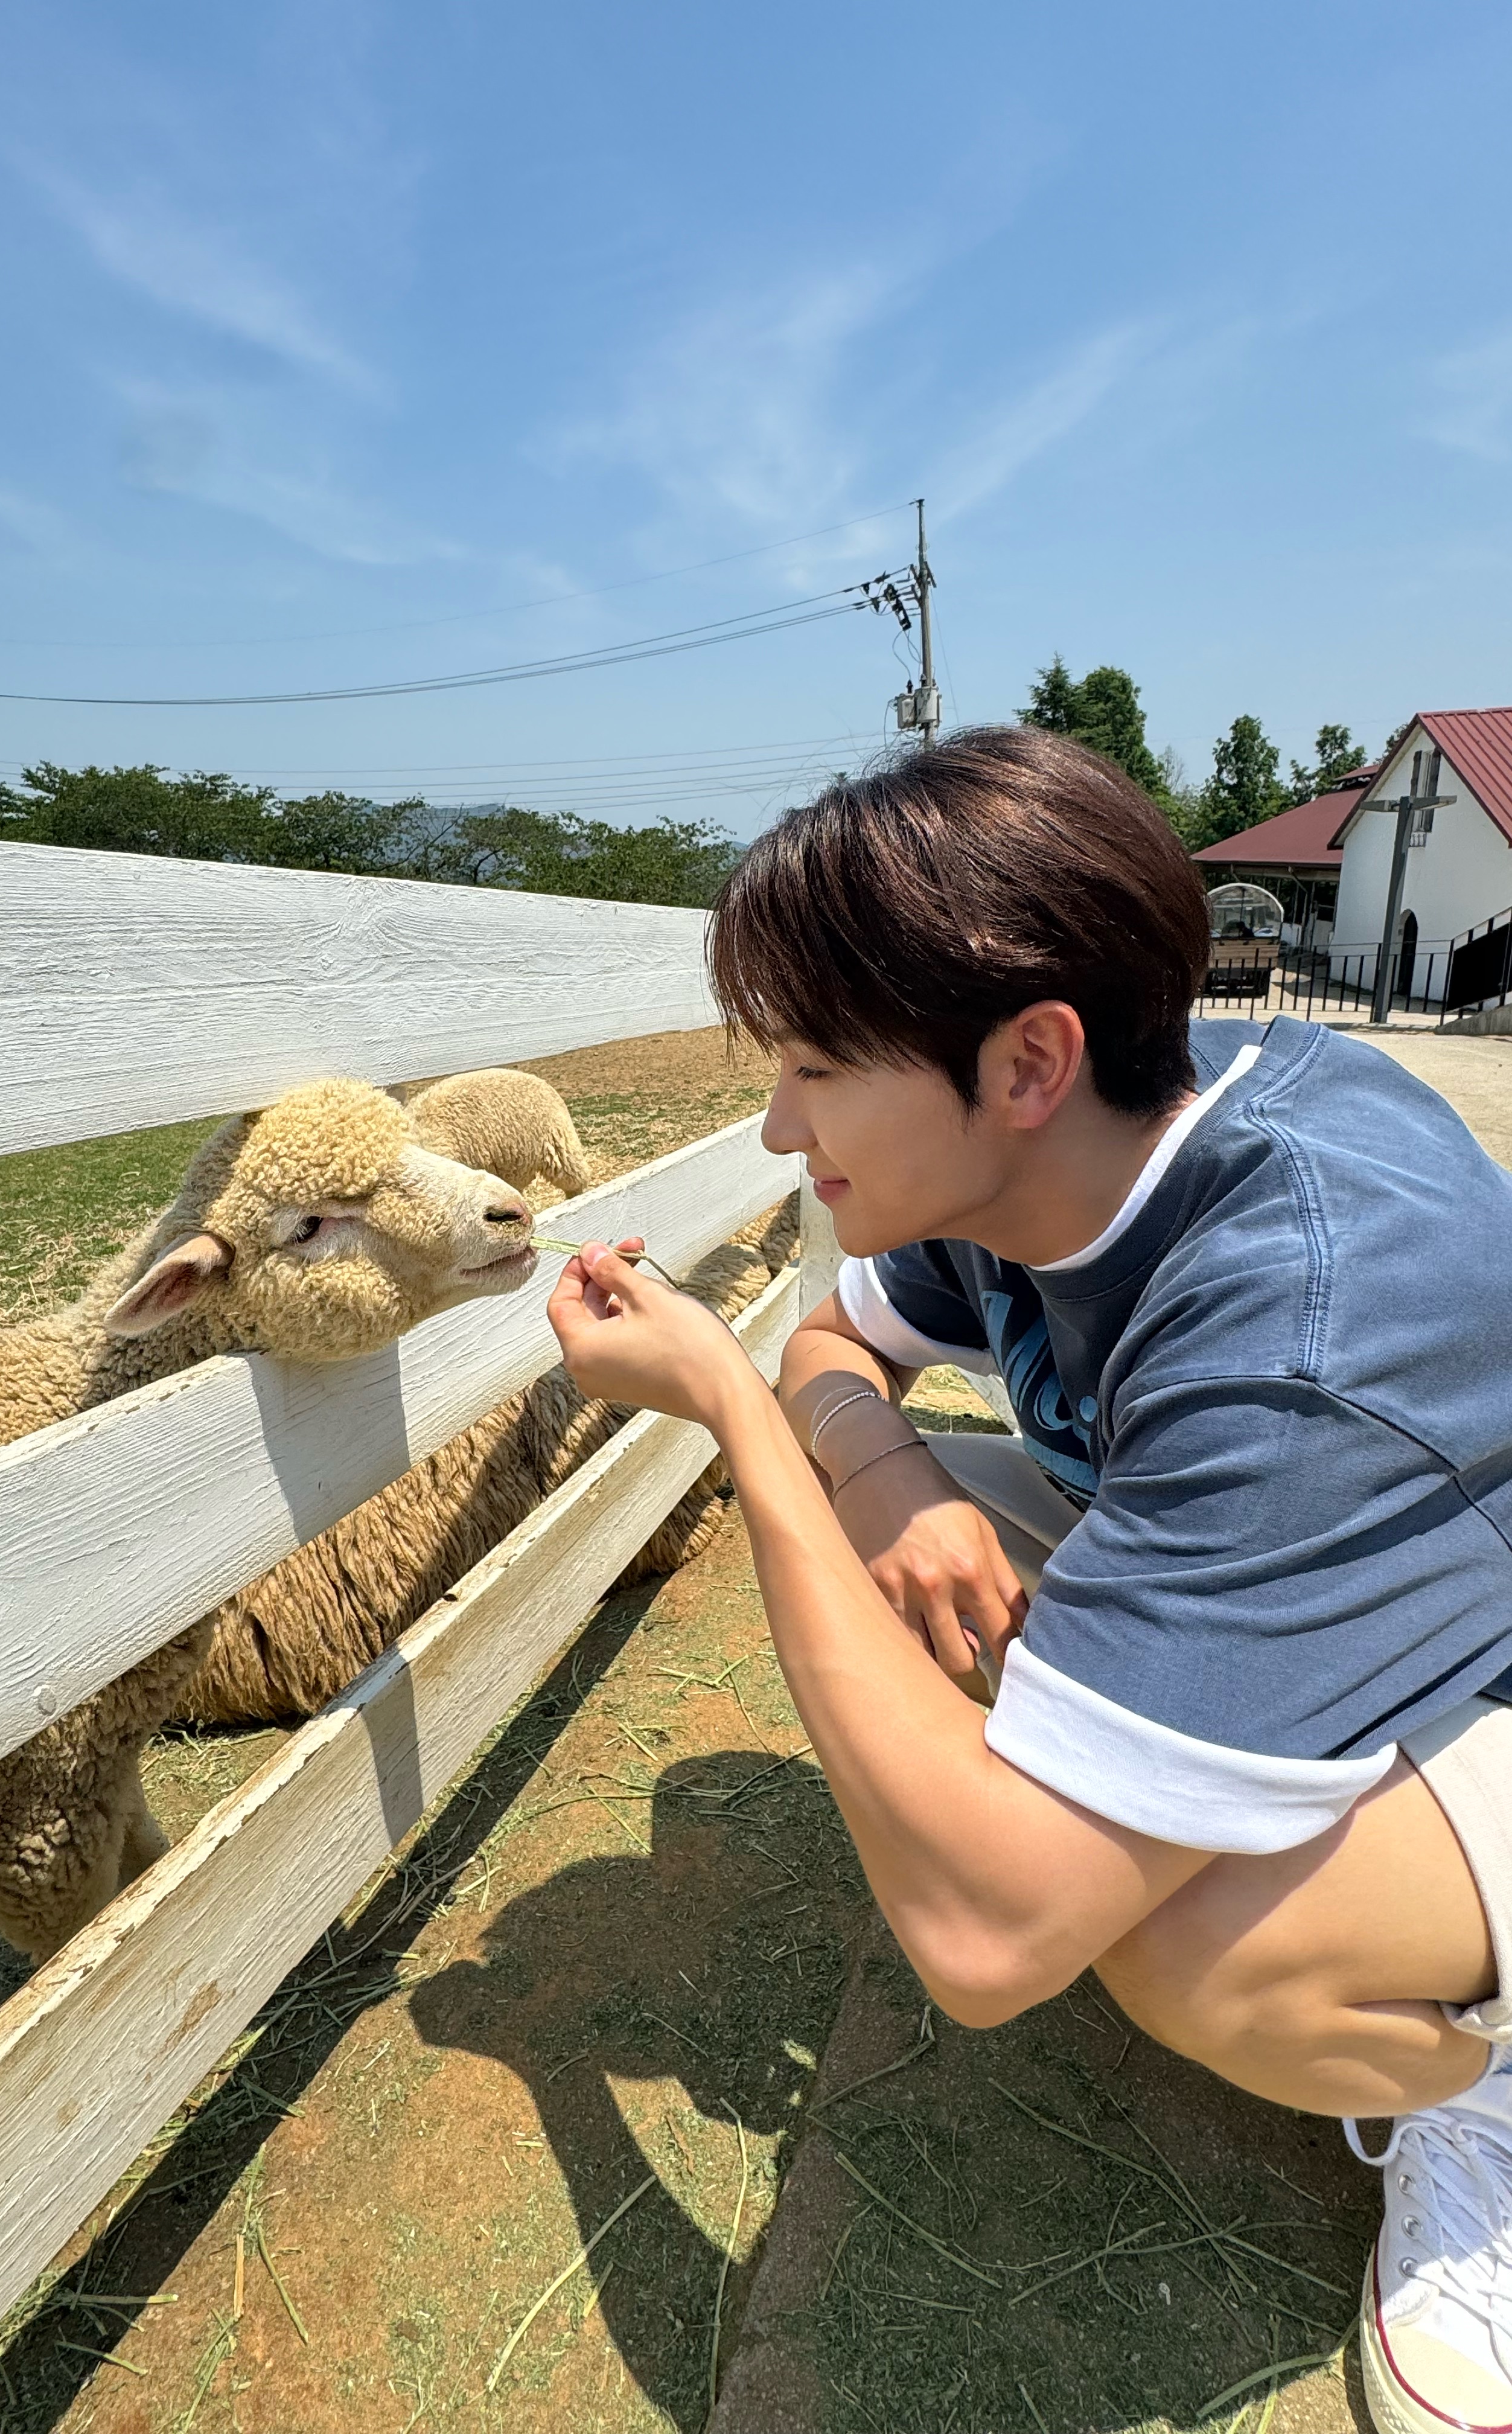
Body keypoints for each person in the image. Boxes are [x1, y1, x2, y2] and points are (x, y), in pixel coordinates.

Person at [546, 725, 1512, 2434]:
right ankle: (1196, 1782)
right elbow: (838, 1337)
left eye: (816, 1070)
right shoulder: (1056, 1151)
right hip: (1322, 1576)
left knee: (1201, 1959)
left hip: (1486, 1655)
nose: (778, 1130)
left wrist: (737, 1423)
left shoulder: (1295, 1323)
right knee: (877, 1545)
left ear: (1028, 1059)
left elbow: (987, 1949)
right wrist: (890, 1475)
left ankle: (1484, 2084)